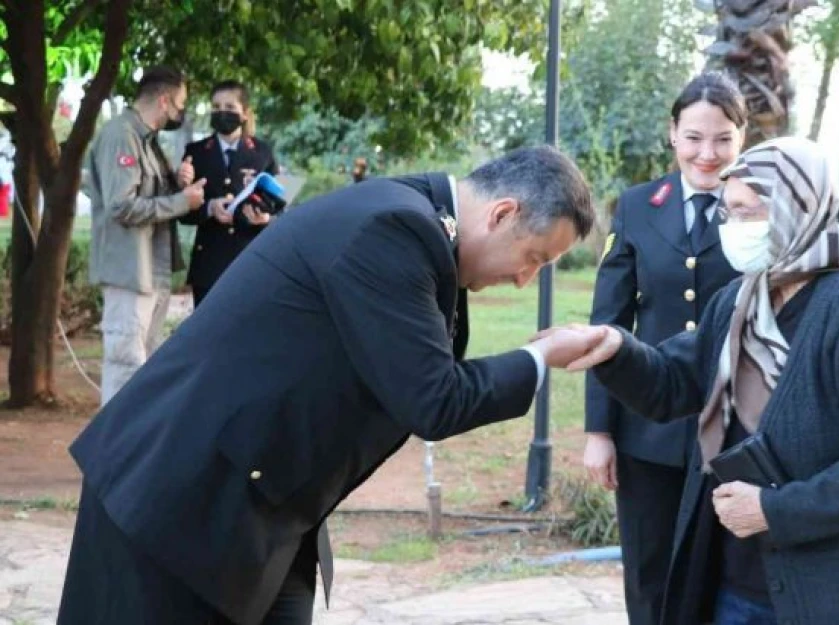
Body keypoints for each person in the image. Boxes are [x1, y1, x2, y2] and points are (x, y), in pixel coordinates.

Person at [57, 145, 599, 625]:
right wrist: (538, 357)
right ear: (503, 213)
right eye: (534, 258)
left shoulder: (414, 221)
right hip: (174, 501)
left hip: (256, 512)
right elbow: (433, 398)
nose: (526, 278)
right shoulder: (395, 229)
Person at [545, 137, 839, 625]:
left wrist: (774, 510)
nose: (733, 228)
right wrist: (613, 349)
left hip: (830, 590)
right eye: (728, 213)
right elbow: (672, 384)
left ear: (799, 208)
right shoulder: (740, 301)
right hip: (734, 581)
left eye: (749, 212)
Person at [582, 71, 746, 625]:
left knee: (723, 570)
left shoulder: (758, 207)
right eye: (695, 136)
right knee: (648, 572)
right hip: (645, 428)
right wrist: (599, 431)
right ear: (672, 134)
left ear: (741, 139)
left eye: (723, 138)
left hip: (733, 422)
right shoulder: (636, 206)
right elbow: (608, 323)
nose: (708, 152)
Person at [87, 65, 206, 406]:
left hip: (152, 272)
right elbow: (121, 207)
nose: (180, 113)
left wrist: (178, 184)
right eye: (180, 105)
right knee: (125, 369)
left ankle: (133, 453)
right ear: (165, 100)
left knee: (144, 370)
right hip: (128, 271)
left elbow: (151, 196)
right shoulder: (121, 135)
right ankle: (116, 455)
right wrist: (181, 202)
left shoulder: (147, 140)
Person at [180, 79, 279, 306]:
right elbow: (182, 213)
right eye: (216, 107)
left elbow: (279, 207)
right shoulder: (196, 153)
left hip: (250, 261)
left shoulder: (262, 153)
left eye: (230, 107)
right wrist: (209, 208)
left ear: (244, 113)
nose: (222, 112)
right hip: (209, 264)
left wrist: (266, 219)